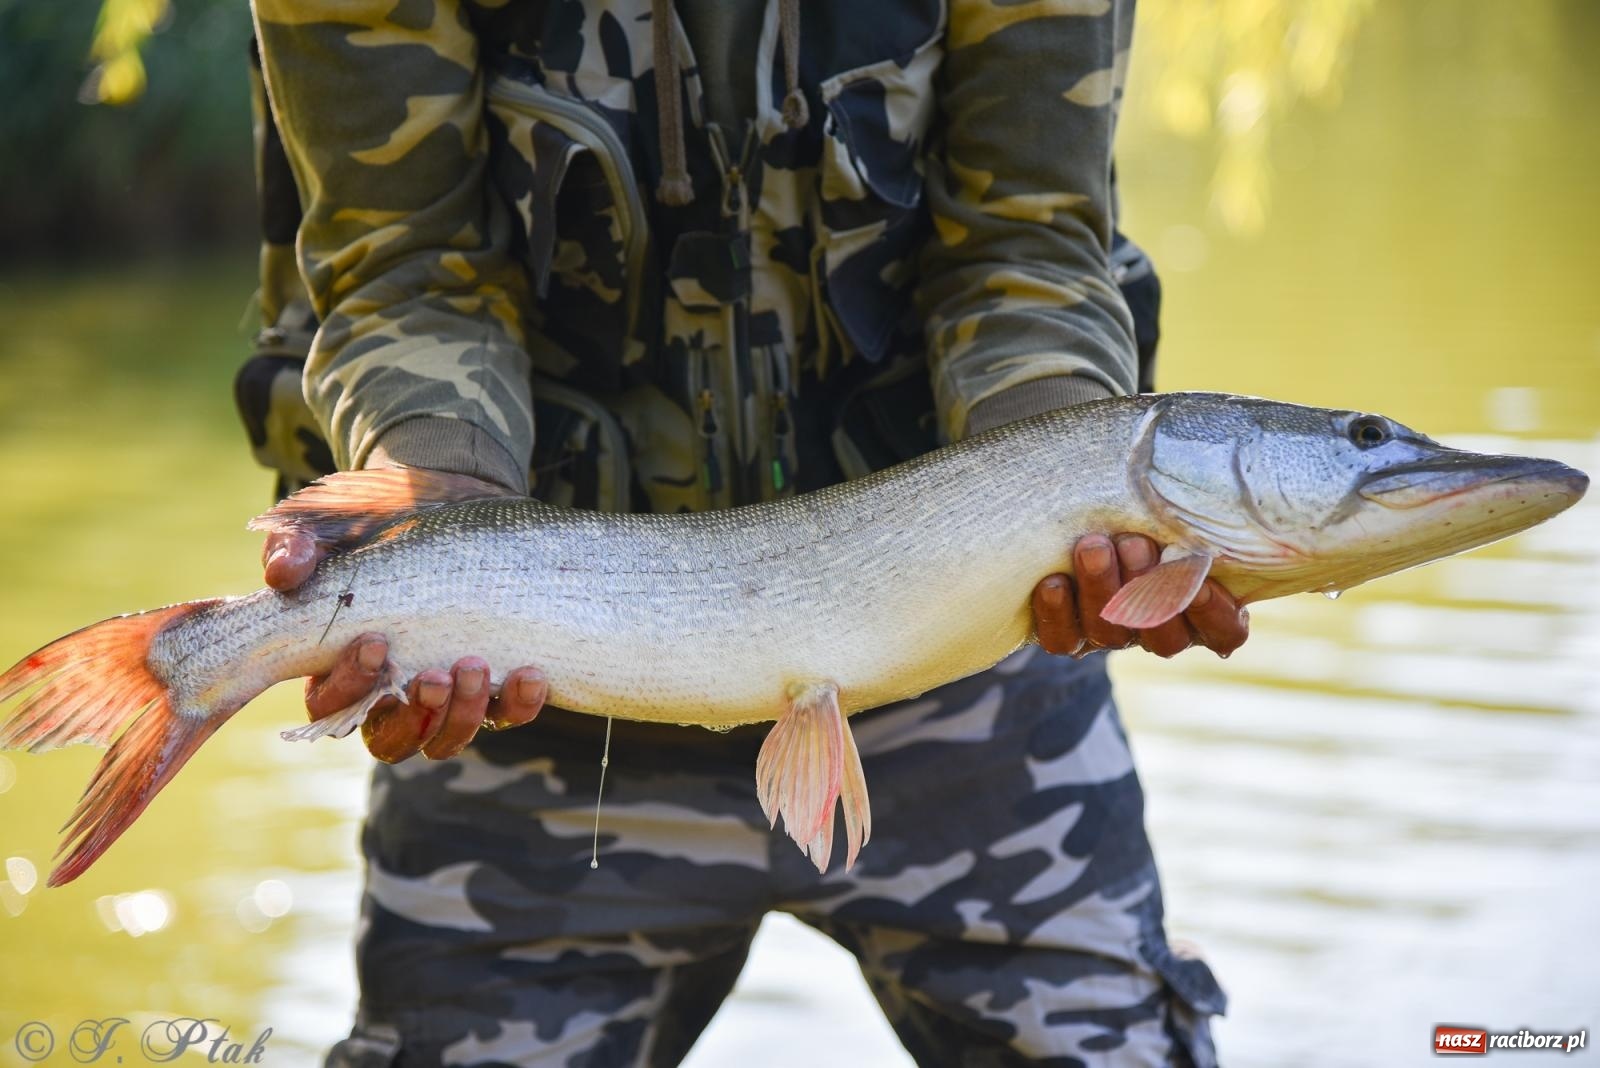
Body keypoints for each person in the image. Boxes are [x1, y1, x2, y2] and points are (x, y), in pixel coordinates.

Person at [240, 1, 1249, 1063]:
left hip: (967, 652)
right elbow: (410, 261)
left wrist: (1060, 489)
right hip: (530, 703)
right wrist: (434, 481)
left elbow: (1026, 239)